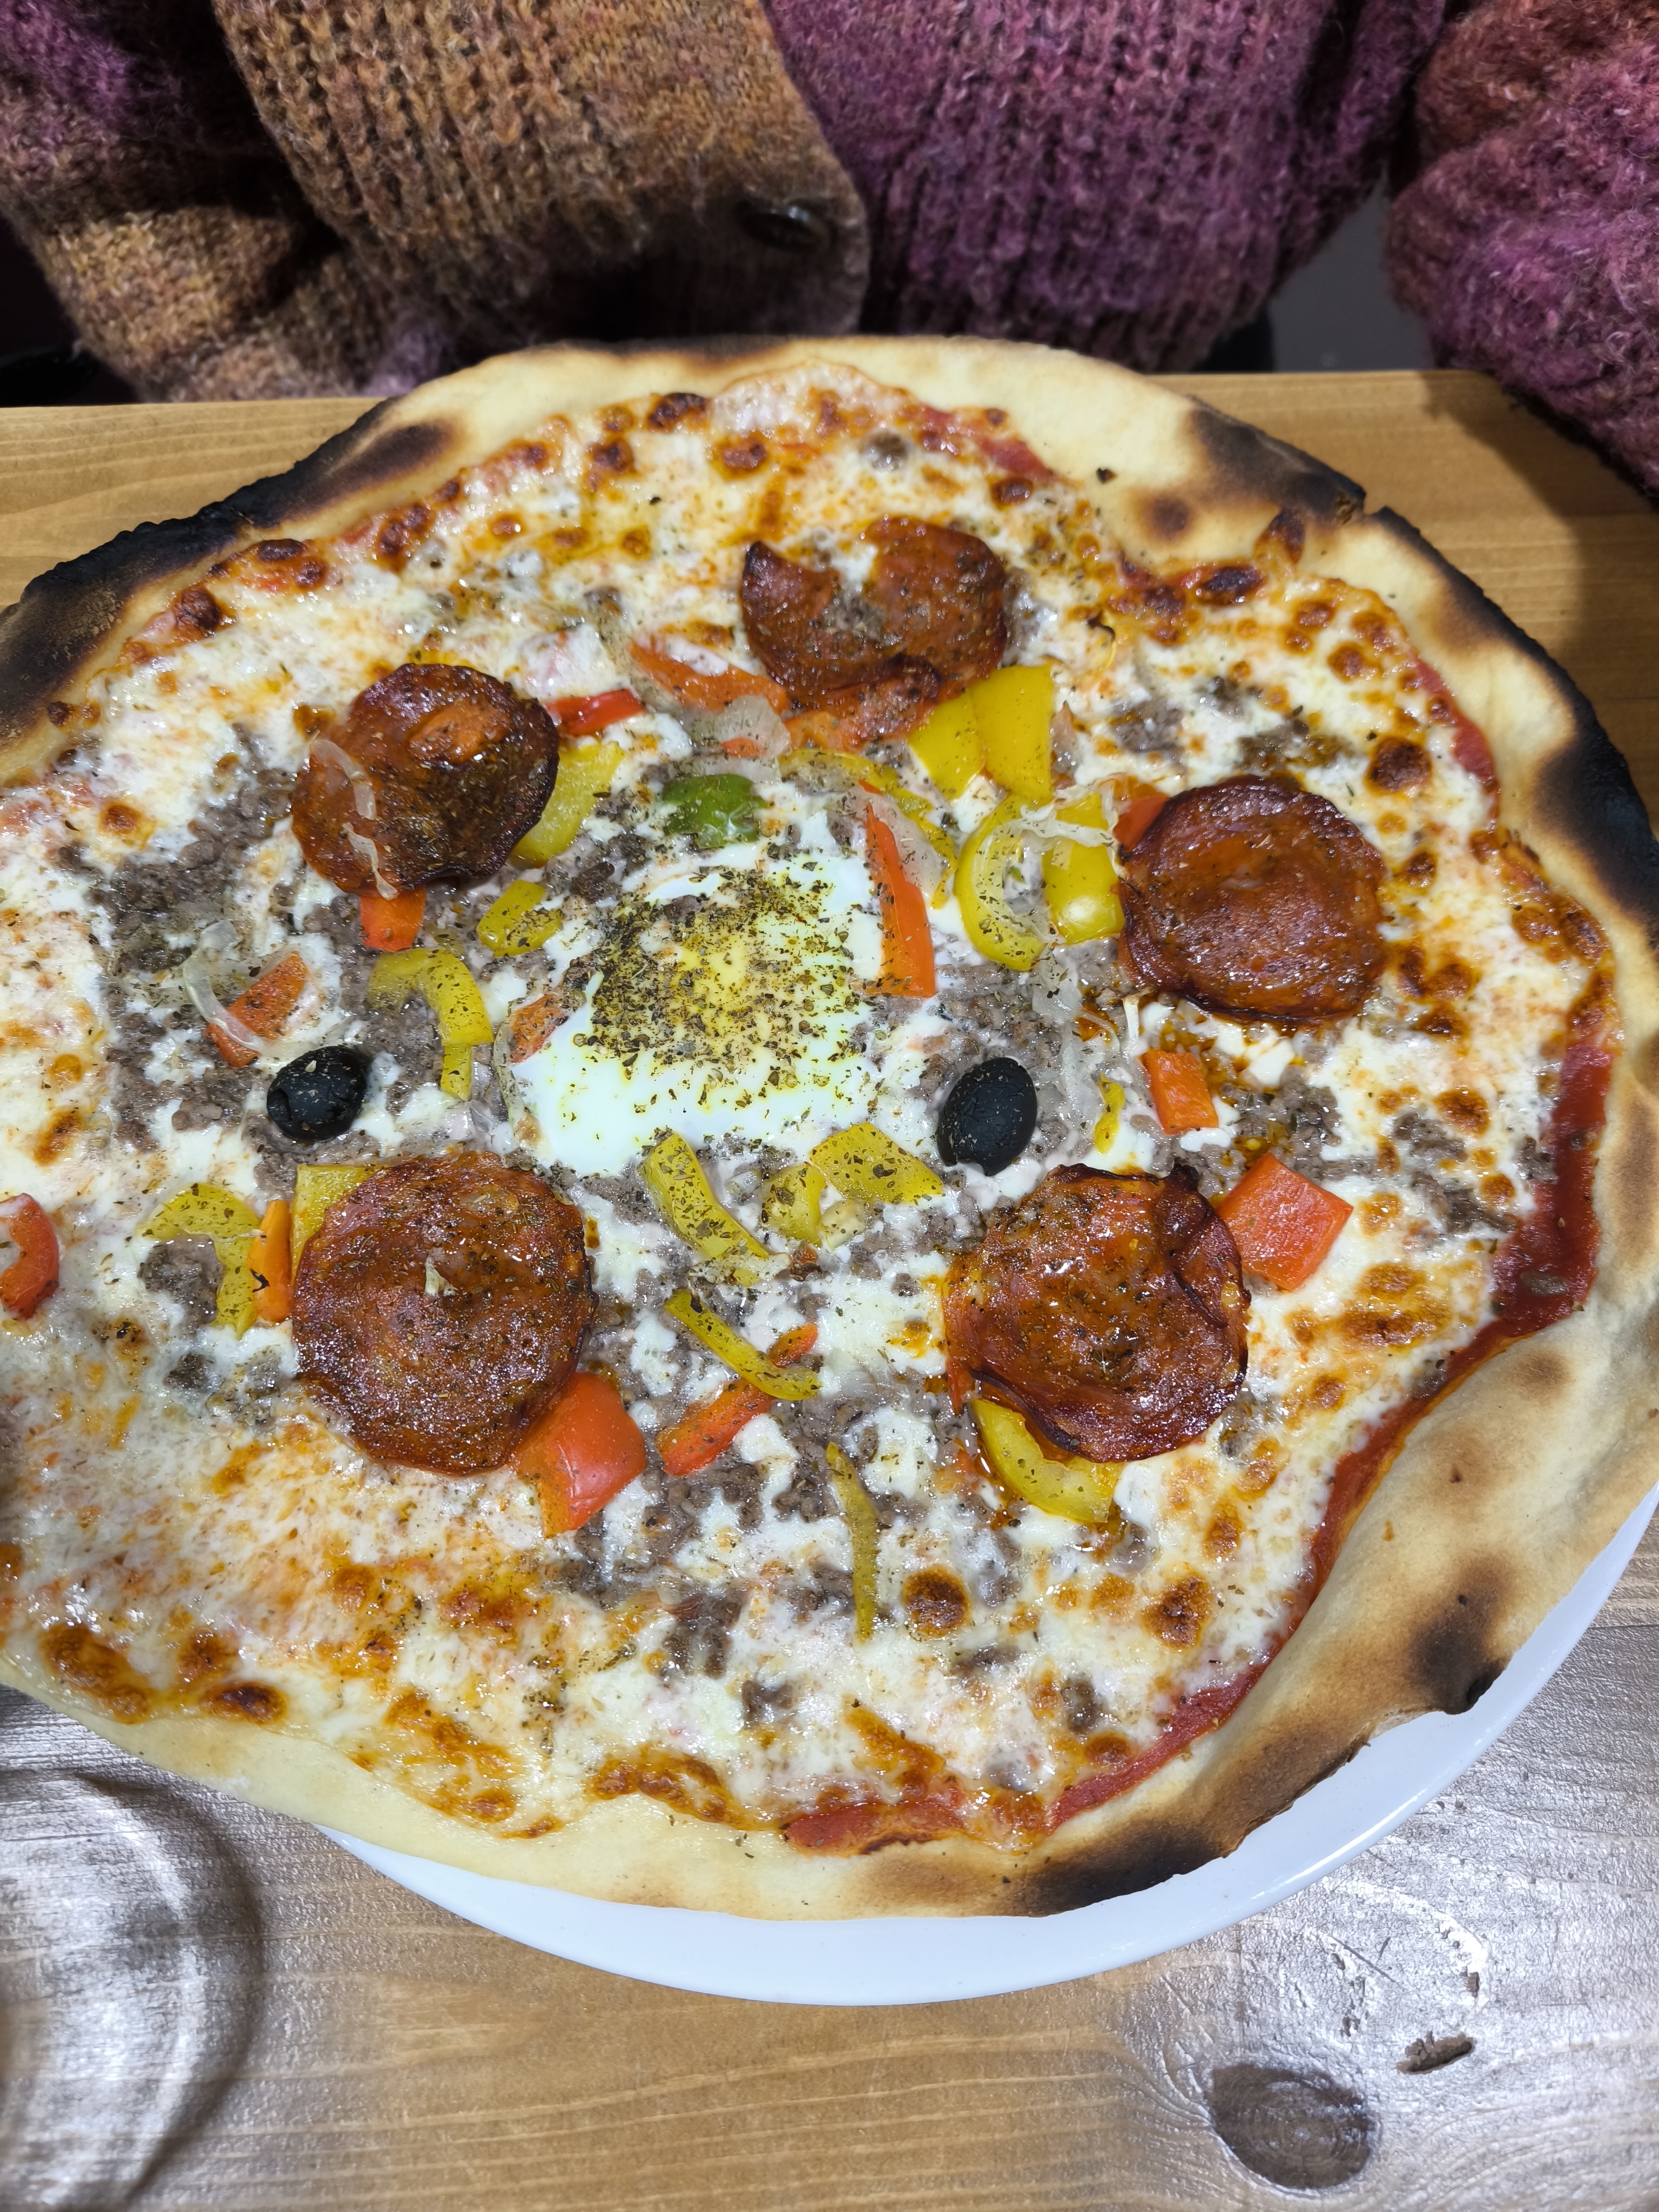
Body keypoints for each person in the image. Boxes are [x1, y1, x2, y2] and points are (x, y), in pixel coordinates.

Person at [0, 0, 1653, 495]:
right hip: (423, 406)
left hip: (1149, 438)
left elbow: (1596, 73)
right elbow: (121, 136)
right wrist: (385, 475)